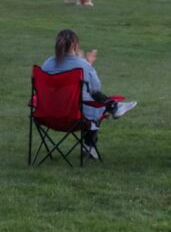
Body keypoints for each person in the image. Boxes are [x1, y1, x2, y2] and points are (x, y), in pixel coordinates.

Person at [40, 29, 137, 159]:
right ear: (75, 46)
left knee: (86, 99)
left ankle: (114, 107)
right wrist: (88, 64)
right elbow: (96, 87)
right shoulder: (82, 65)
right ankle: (89, 143)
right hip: (75, 117)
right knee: (94, 102)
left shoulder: (47, 64)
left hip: (48, 115)